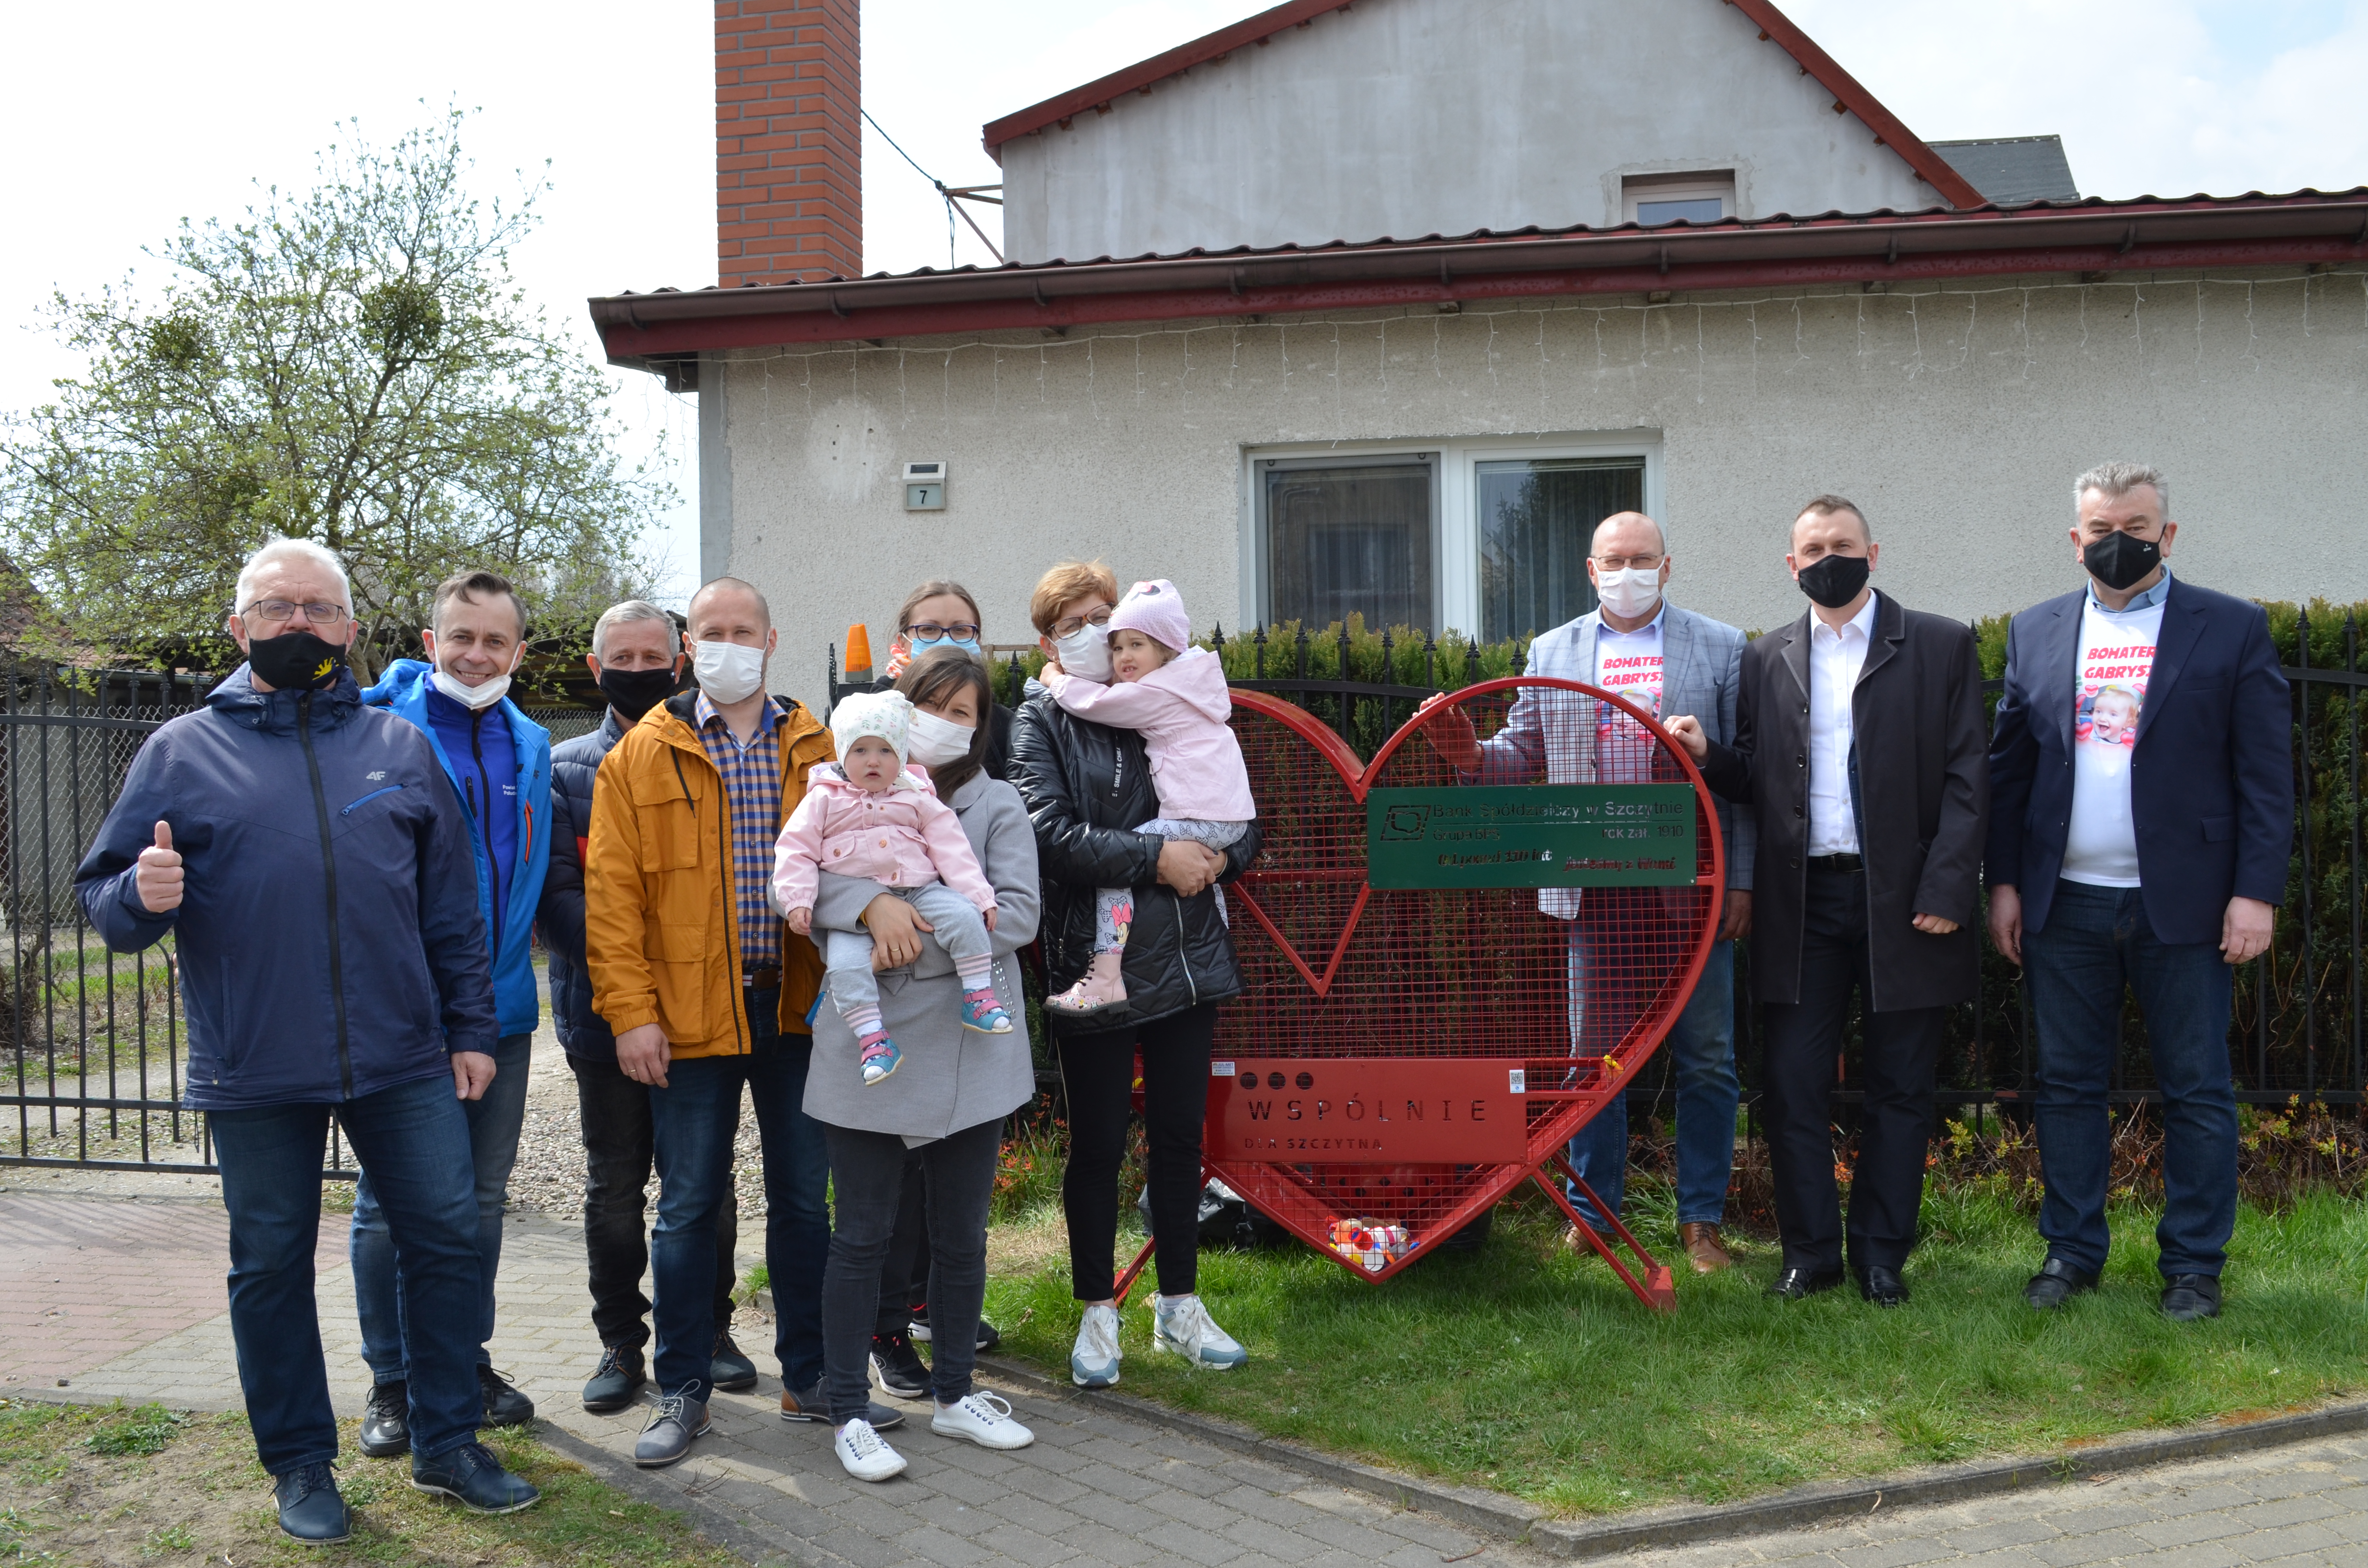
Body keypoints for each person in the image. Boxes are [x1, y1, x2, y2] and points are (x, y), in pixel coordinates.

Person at [74, 538, 538, 1542]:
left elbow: (452, 912)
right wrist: (136, 897)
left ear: (349, 630)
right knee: (271, 1264)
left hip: (402, 1056)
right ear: (238, 629)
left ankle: (448, 1442)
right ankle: (298, 1465)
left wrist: (469, 1029)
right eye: (277, 608)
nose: (299, 625)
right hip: (254, 1064)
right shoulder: (179, 751)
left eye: (319, 609)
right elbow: (105, 904)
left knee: (448, 1239)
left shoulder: (396, 747)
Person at [584, 576, 898, 1468]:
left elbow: (875, 844)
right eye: (710, 631)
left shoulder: (820, 743)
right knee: (685, 1206)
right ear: (691, 645)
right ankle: (683, 1386)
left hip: (800, 1009)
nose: (726, 643)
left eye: (742, 630)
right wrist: (631, 1016)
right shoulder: (640, 753)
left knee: (805, 1201)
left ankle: (813, 1375)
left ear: (770, 639)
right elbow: (612, 904)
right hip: (686, 1019)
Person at [1986, 463, 2291, 1322]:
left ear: (2168, 531)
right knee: (2067, 1085)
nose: (2116, 539)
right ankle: (2071, 1251)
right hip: (2064, 901)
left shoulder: (2228, 627)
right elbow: (2007, 774)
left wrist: (2253, 893)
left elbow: (2265, 778)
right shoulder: (2035, 629)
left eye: (2137, 523)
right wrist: (2002, 882)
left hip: (2186, 904)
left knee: (2195, 1086)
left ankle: (2193, 1264)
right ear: (2074, 537)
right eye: (2099, 526)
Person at [1666, 496, 1986, 1307]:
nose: (1826, 557)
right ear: (1789, 563)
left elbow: (1967, 779)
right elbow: (1757, 776)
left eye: (1840, 544)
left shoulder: (1941, 644)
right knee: (1790, 1081)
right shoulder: (1765, 654)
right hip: (1799, 903)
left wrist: (1948, 885)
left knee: (1900, 1087)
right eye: (1811, 547)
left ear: (1872, 551)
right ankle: (1809, 1254)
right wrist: (1709, 756)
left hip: (1907, 902)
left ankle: (1881, 1255)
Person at [1416, 512, 1753, 1273]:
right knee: (1592, 1060)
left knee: (1707, 1057)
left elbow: (1743, 782)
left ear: (1667, 567)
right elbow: (1520, 754)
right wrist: (1468, 751)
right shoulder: (1553, 649)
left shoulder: (1724, 647)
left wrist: (1744, 880)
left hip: (1691, 889)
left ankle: (1700, 1224)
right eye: (1614, 559)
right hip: (1593, 889)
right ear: (1589, 568)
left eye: (1643, 559)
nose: (1628, 571)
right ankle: (1593, 1213)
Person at [1009, 560, 1263, 1389]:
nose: (1095, 634)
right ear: (1050, 639)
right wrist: (1161, 856)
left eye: (1102, 617)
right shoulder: (1040, 718)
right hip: (1098, 960)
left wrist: (1213, 859)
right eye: (1074, 622)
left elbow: (1240, 823)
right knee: (1098, 1144)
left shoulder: (1168, 690)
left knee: (1181, 1142)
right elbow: (1048, 835)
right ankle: (1095, 1309)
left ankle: (1179, 1304)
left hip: (1189, 955)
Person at [804, 649, 1045, 1481]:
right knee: (861, 1234)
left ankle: (953, 1393)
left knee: (960, 1236)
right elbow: (803, 885)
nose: (945, 721)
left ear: (981, 725)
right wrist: (873, 905)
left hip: (968, 1049)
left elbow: (1014, 914)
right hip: (866, 1047)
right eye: (929, 704)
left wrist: (908, 940)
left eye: (963, 710)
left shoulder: (997, 802)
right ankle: (846, 1410)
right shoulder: (835, 789)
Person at [349, 569, 550, 1457]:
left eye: (495, 640)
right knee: (392, 1207)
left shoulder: (533, 741)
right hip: (403, 1016)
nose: (477, 653)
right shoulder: (372, 729)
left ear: (517, 652)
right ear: (430, 641)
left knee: (478, 1202)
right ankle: (392, 1380)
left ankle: (461, 1361)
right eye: (460, 636)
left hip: (502, 1009)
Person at [538, 599, 757, 1412]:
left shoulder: (718, 752)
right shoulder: (564, 769)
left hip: (705, 1013)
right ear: (596, 669)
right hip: (604, 1018)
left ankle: (709, 1329)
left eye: (652, 654)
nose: (638, 668)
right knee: (615, 1183)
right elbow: (558, 896)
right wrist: (632, 984)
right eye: (619, 657)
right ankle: (621, 1343)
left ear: (682, 660)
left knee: (705, 1183)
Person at [1036, 577, 1257, 1016]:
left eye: (1136, 645)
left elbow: (1099, 705)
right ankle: (1218, 955)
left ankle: (1104, 977)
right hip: (1223, 818)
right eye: (1117, 647)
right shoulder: (1190, 681)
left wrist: (1053, 681)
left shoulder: (1161, 693)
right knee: (1202, 882)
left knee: (1121, 867)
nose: (1123, 657)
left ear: (1167, 650)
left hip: (1203, 816)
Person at [776, 689, 1013, 1087]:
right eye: (861, 750)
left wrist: (979, 895)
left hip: (921, 892)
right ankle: (873, 1038)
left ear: (902, 756)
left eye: (886, 751)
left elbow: (951, 847)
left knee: (965, 917)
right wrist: (798, 899)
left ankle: (977, 995)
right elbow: (795, 851)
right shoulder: (821, 800)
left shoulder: (916, 796)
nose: (874, 761)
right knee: (845, 967)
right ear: (841, 754)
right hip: (855, 915)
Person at [874, 579, 1015, 779]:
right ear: (903, 643)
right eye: (929, 630)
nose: (946, 641)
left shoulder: (1002, 724)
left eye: (960, 630)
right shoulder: (871, 712)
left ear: (977, 641)